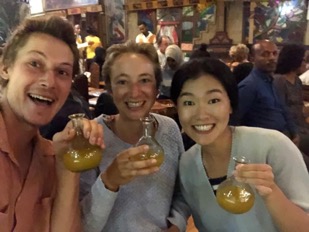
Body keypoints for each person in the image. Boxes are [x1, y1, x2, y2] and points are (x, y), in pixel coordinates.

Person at [170, 57, 309, 231]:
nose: (201, 114)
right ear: (177, 109)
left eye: (213, 100)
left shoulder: (273, 146)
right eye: (189, 103)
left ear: (230, 104)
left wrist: (271, 193)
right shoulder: (187, 165)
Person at [0, 16, 104, 231]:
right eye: (35, 64)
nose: (49, 81)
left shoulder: (50, 159)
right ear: (5, 68)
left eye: (62, 72)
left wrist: (68, 166)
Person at [80, 41, 188, 232]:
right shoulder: (92, 138)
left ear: (156, 88)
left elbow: (182, 192)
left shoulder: (170, 129)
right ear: (110, 90)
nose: (134, 92)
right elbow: (84, 225)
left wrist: (176, 224)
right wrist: (110, 180)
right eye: (122, 81)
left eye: (144, 80)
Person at [234, 40, 300, 147]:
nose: (272, 58)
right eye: (265, 54)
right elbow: (235, 122)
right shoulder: (248, 86)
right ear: (252, 58)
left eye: (274, 53)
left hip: (284, 136)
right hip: (266, 143)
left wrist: (294, 132)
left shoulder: (271, 81)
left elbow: (283, 109)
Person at [273, 44, 309, 156]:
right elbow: (281, 110)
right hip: (289, 131)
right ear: (294, 60)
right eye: (303, 60)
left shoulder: (297, 80)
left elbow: (300, 108)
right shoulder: (279, 80)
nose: (305, 63)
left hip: (302, 126)